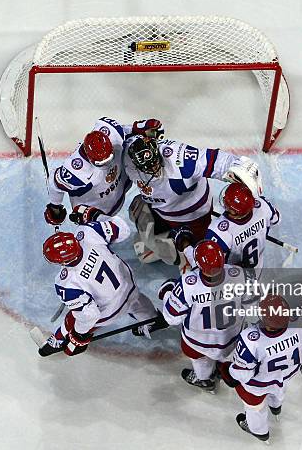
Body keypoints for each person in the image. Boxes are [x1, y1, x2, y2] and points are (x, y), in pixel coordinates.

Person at [38, 206, 167, 357]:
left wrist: (79, 337)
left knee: (73, 316)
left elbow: (90, 315)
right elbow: (123, 229)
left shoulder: (65, 283)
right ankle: (152, 321)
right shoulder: (87, 233)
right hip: (129, 285)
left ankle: (58, 340)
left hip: (110, 311)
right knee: (135, 301)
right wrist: (96, 216)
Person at [124, 134, 263, 266]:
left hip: (193, 216)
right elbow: (128, 134)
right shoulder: (128, 156)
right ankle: (165, 244)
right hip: (160, 207)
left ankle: (184, 260)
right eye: (149, 168)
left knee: (196, 251)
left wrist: (241, 167)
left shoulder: (180, 162)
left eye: (156, 163)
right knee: (136, 210)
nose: (155, 169)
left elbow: (214, 160)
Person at [218, 294, 302, 443]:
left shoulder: (250, 339)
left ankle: (259, 431)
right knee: (278, 388)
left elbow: (242, 375)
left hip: (258, 386)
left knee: (254, 407)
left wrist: (227, 370)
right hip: (287, 373)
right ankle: (276, 408)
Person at [159, 240, 248, 391]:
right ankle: (221, 366)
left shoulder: (187, 285)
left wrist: (168, 292)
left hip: (198, 341)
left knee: (200, 361)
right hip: (231, 339)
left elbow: (171, 318)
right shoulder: (238, 273)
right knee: (226, 353)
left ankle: (205, 381)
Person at [43, 117, 164, 226]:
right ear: (89, 158)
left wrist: (139, 127)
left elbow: (125, 130)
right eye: (101, 163)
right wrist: (55, 207)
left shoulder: (110, 131)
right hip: (98, 211)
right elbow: (54, 182)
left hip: (120, 184)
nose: (107, 163)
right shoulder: (76, 172)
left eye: (109, 156)